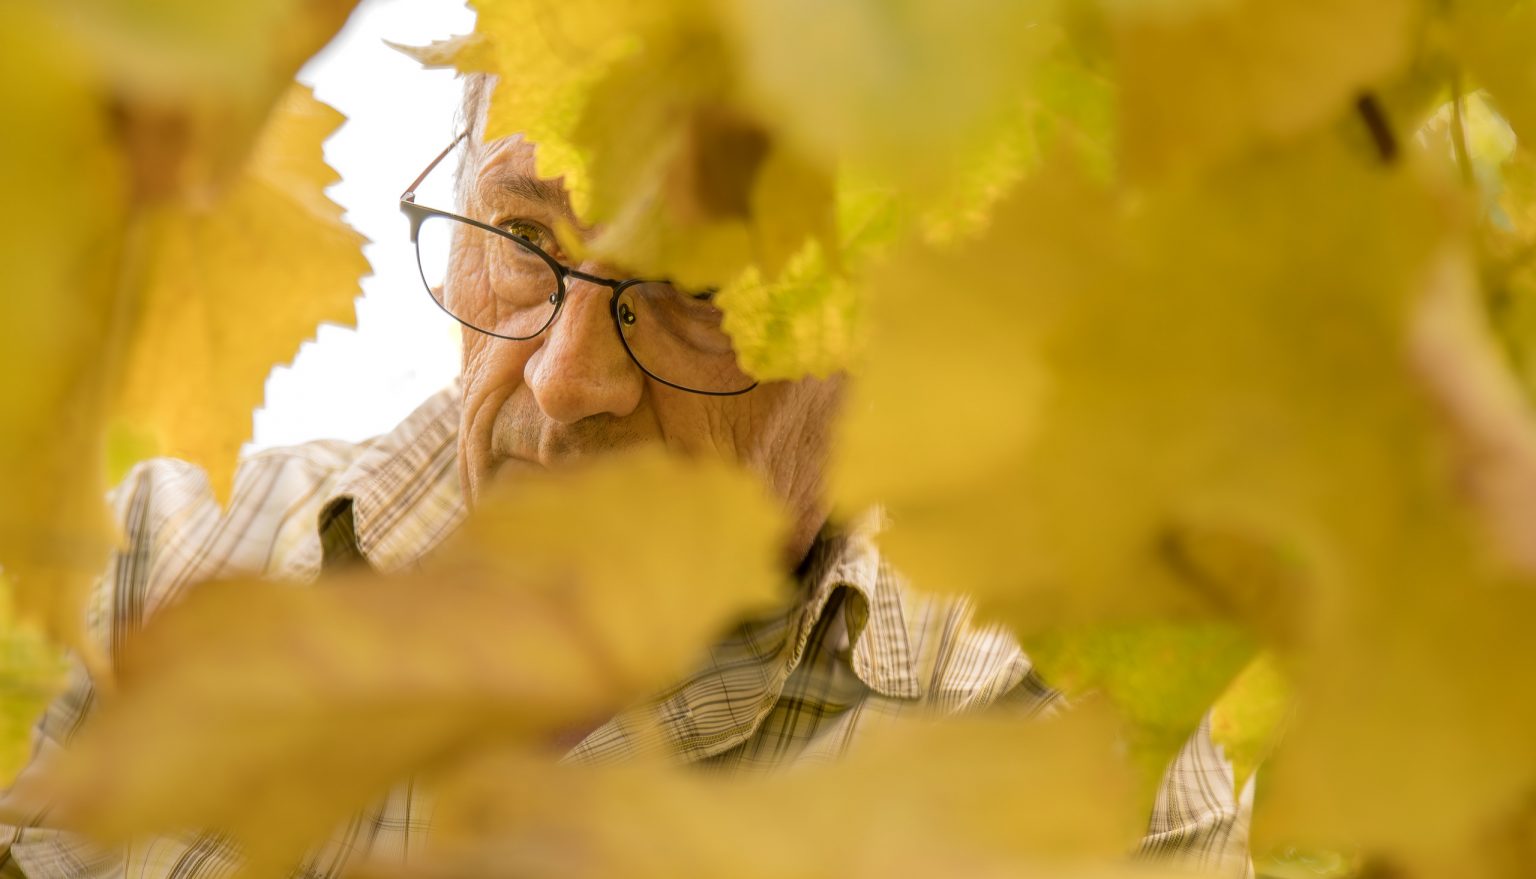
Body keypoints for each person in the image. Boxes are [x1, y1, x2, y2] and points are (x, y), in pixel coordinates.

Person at [0, 75, 1251, 878]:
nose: (563, 380)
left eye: (696, 286)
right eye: (527, 240)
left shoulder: (1069, 749)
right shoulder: (120, 582)